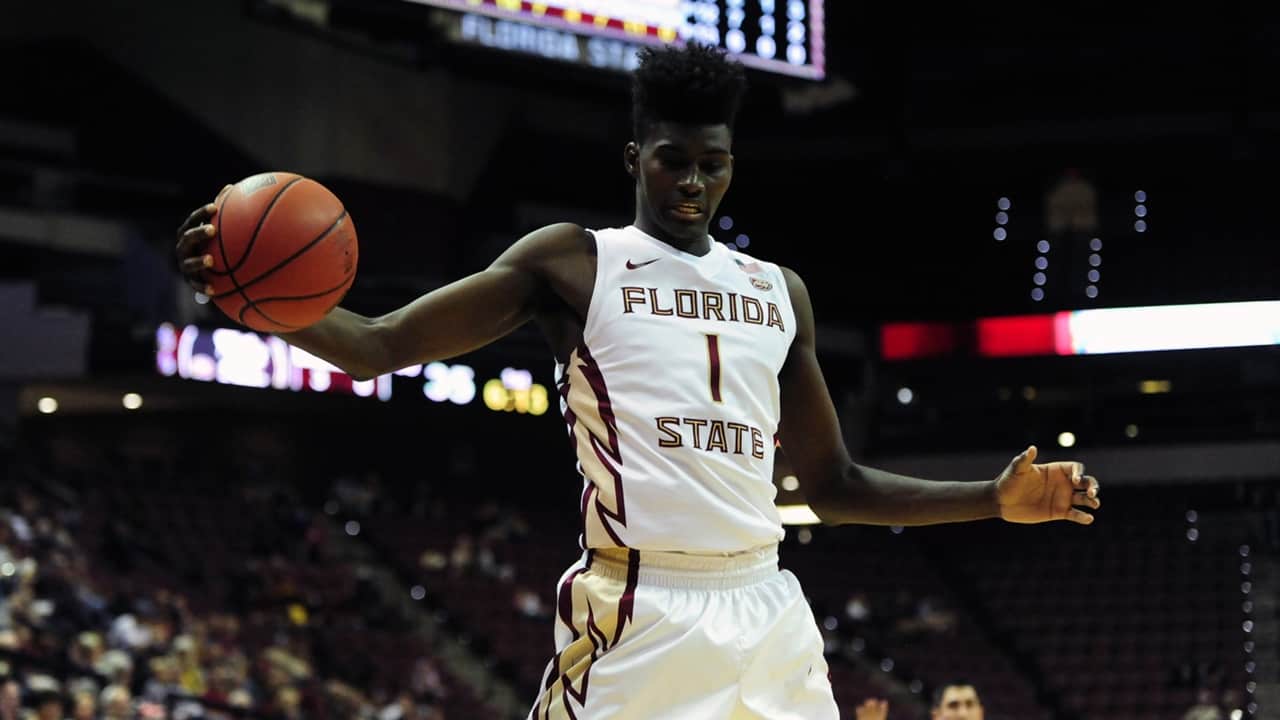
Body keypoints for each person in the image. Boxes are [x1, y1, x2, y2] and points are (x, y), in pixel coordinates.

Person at [175, 42, 1101, 719]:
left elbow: (835, 486)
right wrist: (255, 297)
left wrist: (992, 497)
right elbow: (379, 343)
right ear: (635, 159)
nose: (694, 181)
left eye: (713, 163)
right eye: (673, 160)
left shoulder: (781, 294)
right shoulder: (575, 264)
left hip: (767, 601)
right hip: (639, 606)